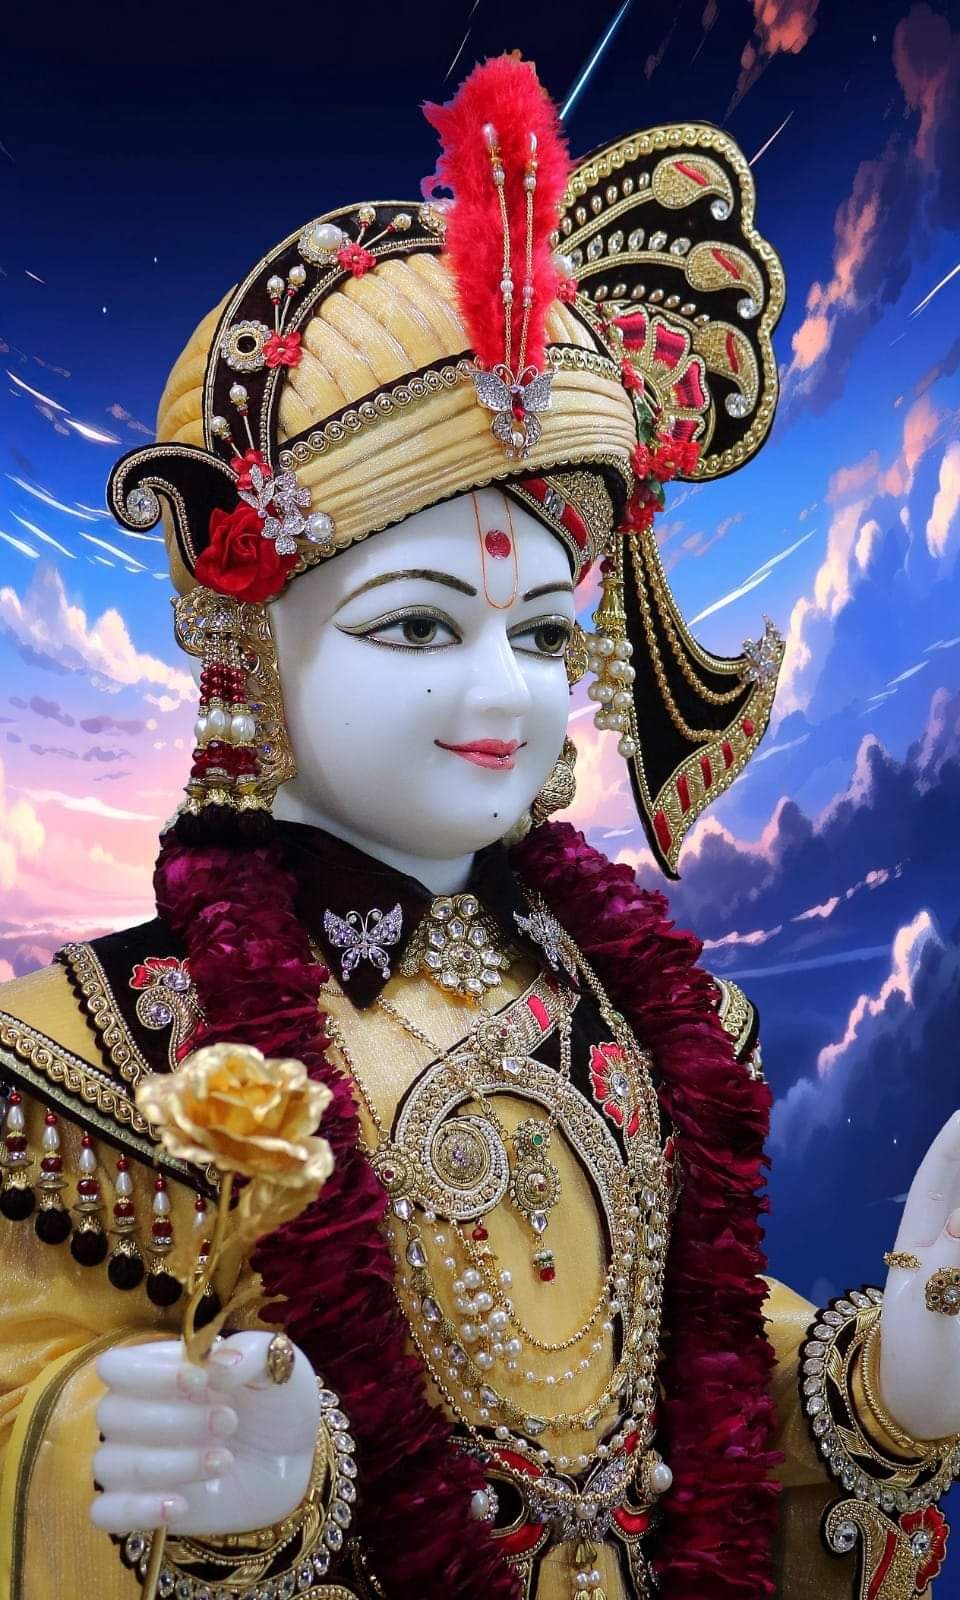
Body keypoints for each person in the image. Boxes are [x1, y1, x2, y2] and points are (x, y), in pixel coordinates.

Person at [0, 55, 958, 1600]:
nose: (499, 693)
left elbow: (696, 1398)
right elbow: (21, 1415)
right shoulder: (103, 1061)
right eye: (416, 627)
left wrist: (890, 1387)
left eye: (539, 634)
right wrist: (194, 1487)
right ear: (247, 641)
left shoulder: (654, 1023)